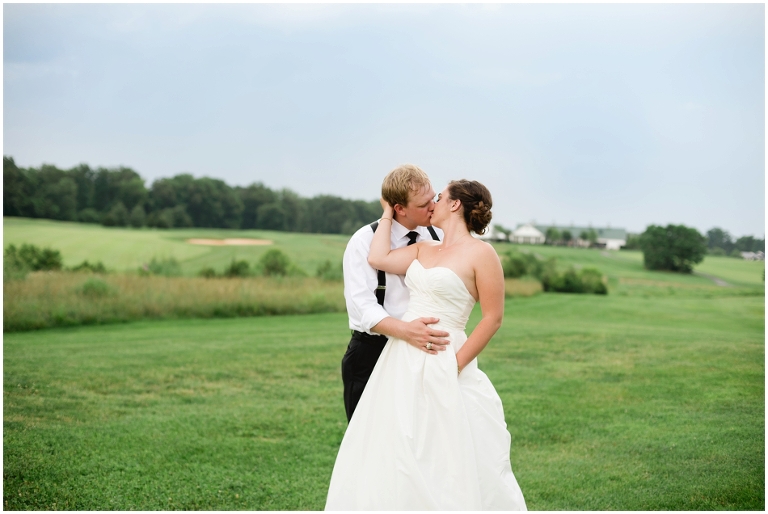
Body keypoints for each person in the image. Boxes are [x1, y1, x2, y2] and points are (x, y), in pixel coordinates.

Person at [326, 179, 527, 510]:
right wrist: (388, 213)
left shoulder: (483, 253)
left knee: (445, 450)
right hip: (399, 359)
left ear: (454, 205)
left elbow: (492, 318)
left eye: (439, 197)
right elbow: (378, 258)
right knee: (393, 448)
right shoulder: (424, 248)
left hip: (445, 355)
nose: (432, 202)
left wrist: (455, 365)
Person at [340, 164, 447, 422]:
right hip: (372, 353)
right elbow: (362, 307)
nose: (433, 206)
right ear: (399, 208)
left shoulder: (438, 236)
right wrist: (406, 331)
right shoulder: (363, 241)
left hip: (422, 353)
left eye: (433, 197)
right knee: (367, 441)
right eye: (424, 204)